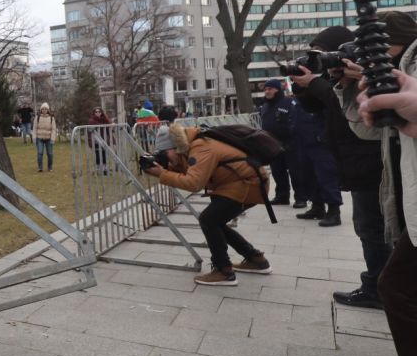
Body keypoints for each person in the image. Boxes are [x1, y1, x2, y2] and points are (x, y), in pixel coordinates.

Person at [350, 10, 417, 356]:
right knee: (397, 284)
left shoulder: (411, 64)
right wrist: (342, 87)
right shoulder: (402, 70)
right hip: (406, 201)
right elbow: (368, 130)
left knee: (398, 287)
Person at [291, 26, 387, 309]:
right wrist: (303, 84)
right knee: (368, 226)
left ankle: (380, 288)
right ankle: (381, 284)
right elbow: (314, 106)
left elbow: (351, 108)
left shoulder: (366, 78)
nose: (323, 62)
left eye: (324, 54)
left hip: (367, 160)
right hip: (353, 160)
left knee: (372, 227)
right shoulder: (336, 79)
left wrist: (325, 82)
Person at [142, 122, 270, 286]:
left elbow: (194, 183)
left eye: (164, 152)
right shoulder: (191, 145)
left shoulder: (201, 147)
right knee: (215, 222)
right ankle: (256, 260)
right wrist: (164, 170)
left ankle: (224, 271)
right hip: (238, 183)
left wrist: (163, 174)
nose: (165, 156)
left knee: (209, 220)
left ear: (174, 147)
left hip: (247, 184)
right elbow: (193, 172)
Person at [290, 28, 346, 226]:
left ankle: (334, 210)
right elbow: (308, 104)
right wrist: (299, 85)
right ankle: (317, 206)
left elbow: (332, 106)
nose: (315, 57)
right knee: (309, 175)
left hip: (322, 137)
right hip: (305, 139)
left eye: (320, 51)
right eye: (312, 52)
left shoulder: (334, 79)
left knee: (326, 175)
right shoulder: (317, 78)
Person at [258, 79, 295, 205]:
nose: (267, 91)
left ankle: (300, 198)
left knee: (295, 172)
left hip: (289, 143)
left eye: (270, 89)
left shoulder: (288, 102)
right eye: (265, 89)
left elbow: (294, 121)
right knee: (277, 172)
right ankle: (282, 196)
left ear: (277, 89)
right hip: (272, 144)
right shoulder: (265, 105)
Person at [87, 107, 112, 174]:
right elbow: (89, 132)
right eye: (96, 112)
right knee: (98, 154)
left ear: (101, 112)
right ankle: (100, 168)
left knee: (104, 154)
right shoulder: (91, 121)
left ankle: (105, 168)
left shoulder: (105, 119)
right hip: (96, 140)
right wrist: (90, 142)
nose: (98, 113)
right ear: (94, 113)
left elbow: (108, 129)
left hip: (104, 140)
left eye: (99, 112)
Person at [34, 102, 56, 172]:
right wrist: (34, 138)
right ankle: (40, 167)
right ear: (41, 110)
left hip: (49, 139)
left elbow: (54, 129)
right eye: (43, 109)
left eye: (45, 109)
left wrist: (52, 139)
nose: (44, 110)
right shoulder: (37, 117)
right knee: (40, 153)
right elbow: (34, 128)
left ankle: (50, 167)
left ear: (48, 110)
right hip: (39, 138)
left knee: (50, 154)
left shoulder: (52, 118)